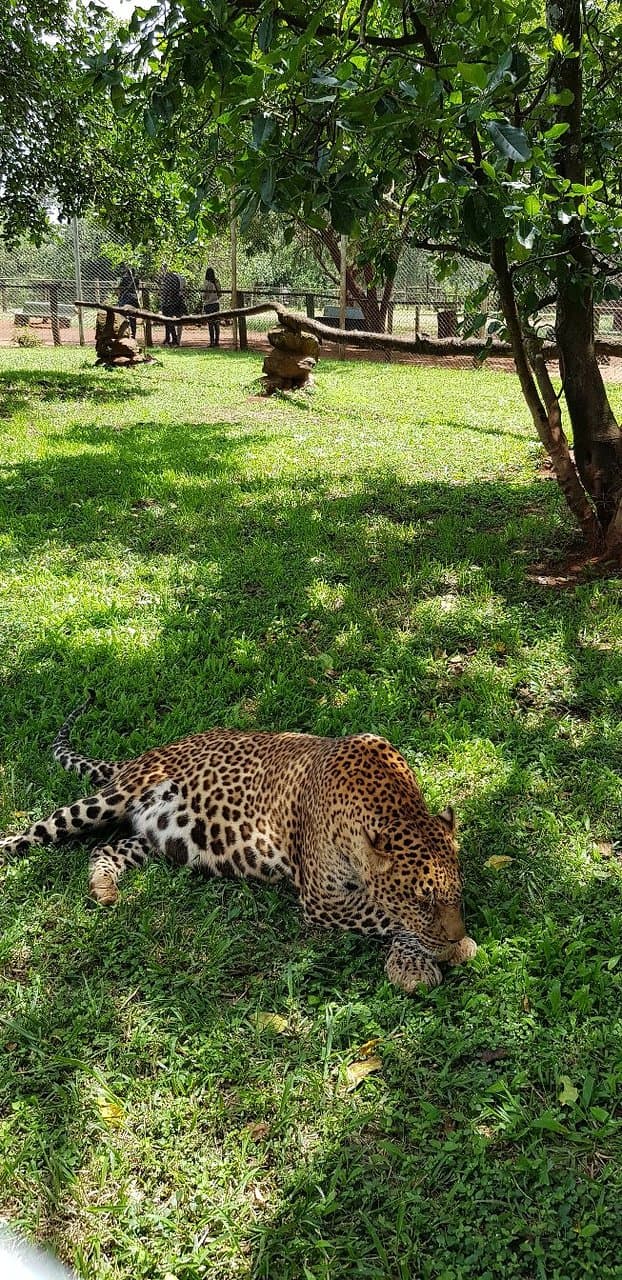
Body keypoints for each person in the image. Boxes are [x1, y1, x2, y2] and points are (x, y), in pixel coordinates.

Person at [160, 264, 186, 347]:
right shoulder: (181, 277)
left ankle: (174, 339)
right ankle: (173, 339)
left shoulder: (168, 278)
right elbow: (184, 289)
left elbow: (167, 291)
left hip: (169, 302)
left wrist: (164, 298)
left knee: (168, 321)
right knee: (177, 321)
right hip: (179, 300)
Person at [117, 263, 139, 338]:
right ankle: (133, 335)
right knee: (133, 318)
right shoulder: (136, 280)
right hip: (134, 299)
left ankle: (125, 333)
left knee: (124, 317)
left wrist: (119, 298)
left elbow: (119, 290)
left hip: (125, 299)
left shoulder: (124, 279)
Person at [202, 266, 222, 347]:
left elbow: (204, 295)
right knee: (216, 323)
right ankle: (217, 341)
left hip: (208, 304)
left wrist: (206, 298)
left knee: (210, 324)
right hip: (216, 304)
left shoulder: (206, 283)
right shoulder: (217, 282)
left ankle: (212, 342)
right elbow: (220, 294)